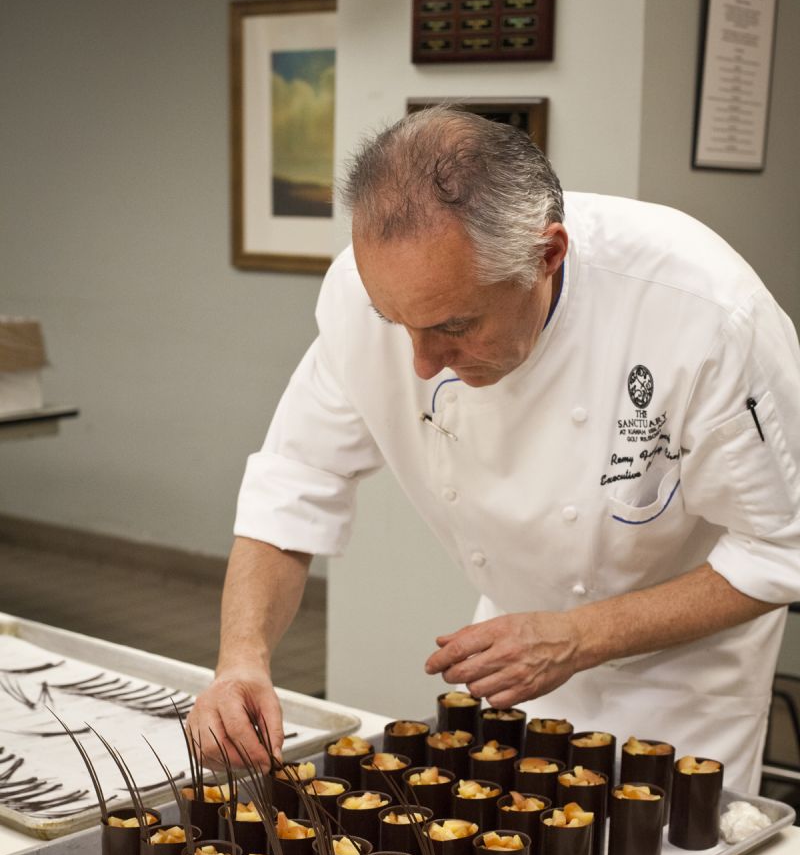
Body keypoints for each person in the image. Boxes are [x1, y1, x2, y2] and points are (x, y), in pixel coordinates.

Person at [187, 106, 800, 792]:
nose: (421, 364)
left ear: (548, 255)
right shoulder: (367, 295)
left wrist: (578, 637)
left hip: (686, 687)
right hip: (517, 661)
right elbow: (296, 480)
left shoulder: (707, 315)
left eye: (454, 325)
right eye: (398, 325)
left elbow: (780, 549)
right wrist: (242, 659)